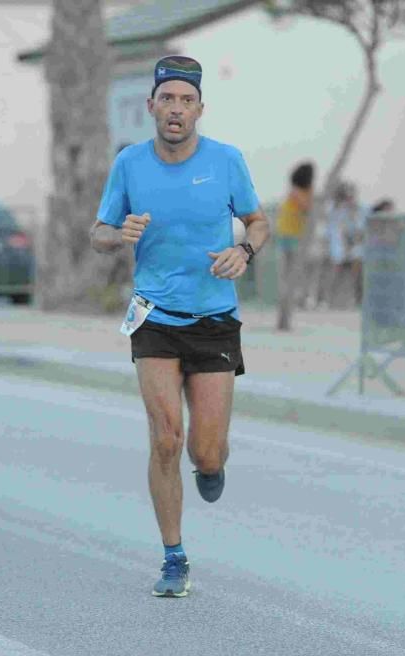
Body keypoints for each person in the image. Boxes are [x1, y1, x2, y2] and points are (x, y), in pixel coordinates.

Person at [89, 56, 270, 597]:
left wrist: (244, 250)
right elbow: (98, 232)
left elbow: (258, 222)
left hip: (214, 319)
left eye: (185, 100)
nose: (176, 109)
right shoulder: (130, 164)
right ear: (151, 107)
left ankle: (211, 465)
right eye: (167, 99)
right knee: (167, 438)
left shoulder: (227, 161)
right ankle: (174, 556)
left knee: (204, 451)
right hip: (155, 319)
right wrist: (118, 232)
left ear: (199, 109)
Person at [275, 162, 314, 320]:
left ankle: (293, 301)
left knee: (291, 272)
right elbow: (307, 207)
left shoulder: (298, 191)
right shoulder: (298, 192)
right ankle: (292, 302)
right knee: (292, 272)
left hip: (290, 234)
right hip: (291, 236)